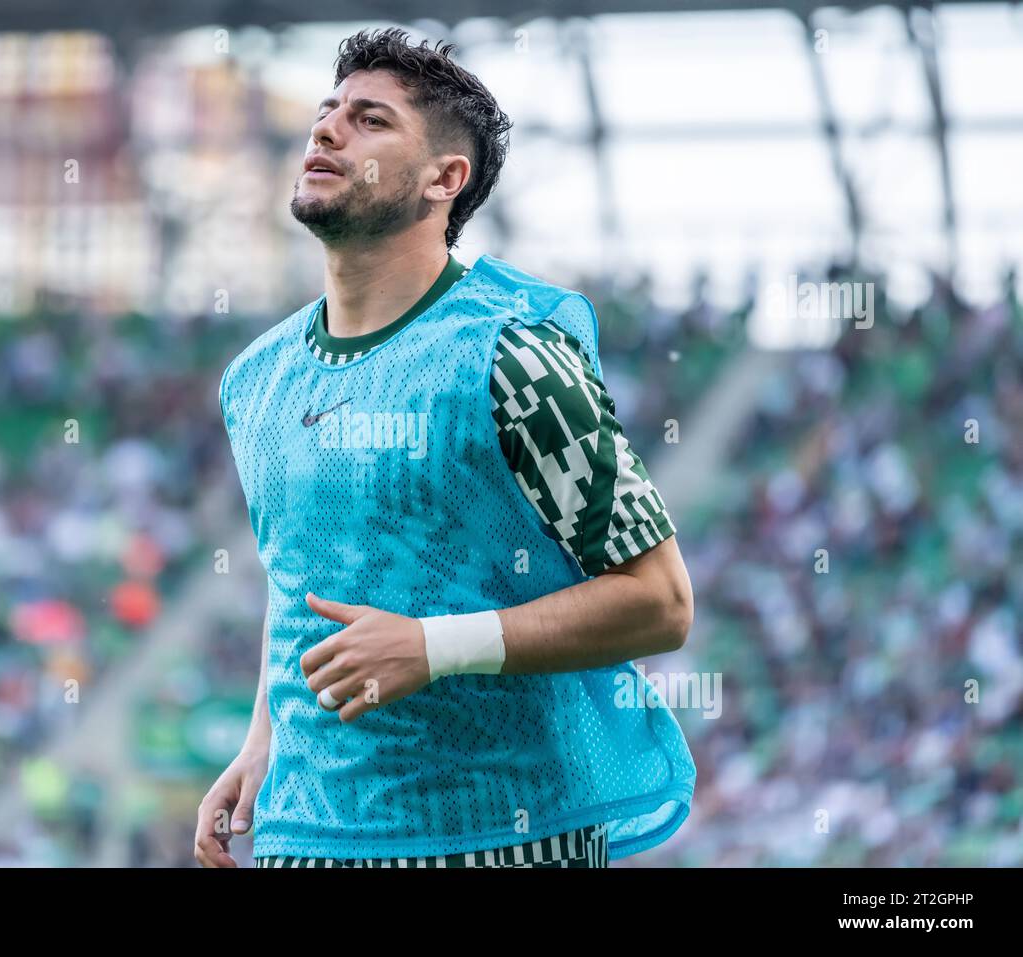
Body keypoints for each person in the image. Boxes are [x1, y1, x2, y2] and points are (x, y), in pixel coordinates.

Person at [198, 27, 696, 869]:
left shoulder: (515, 353)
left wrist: (435, 647)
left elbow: (660, 602)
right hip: (304, 835)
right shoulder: (255, 379)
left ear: (444, 178)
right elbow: (299, 584)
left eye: (369, 120)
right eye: (326, 113)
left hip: (503, 831)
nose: (325, 131)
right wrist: (263, 741)